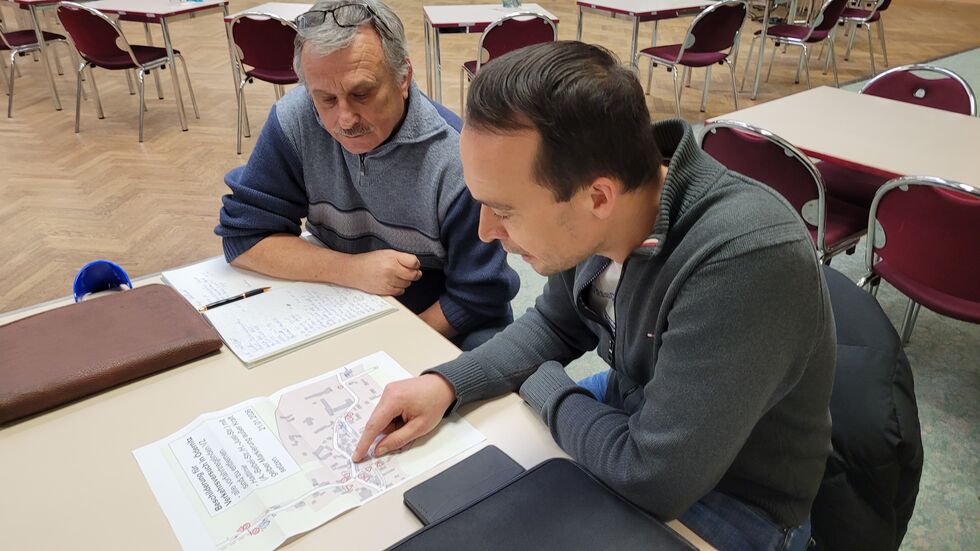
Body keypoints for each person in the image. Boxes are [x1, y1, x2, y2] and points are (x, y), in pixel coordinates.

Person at [353, 42, 835, 550]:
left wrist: (544, 386)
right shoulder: (606, 212)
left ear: (597, 197)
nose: (486, 231)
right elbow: (555, 325)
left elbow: (653, 477)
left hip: (734, 500)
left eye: (504, 209)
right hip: (639, 415)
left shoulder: (744, 260)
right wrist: (447, 384)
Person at [215, 0, 519, 350]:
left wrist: (393, 346)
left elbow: (479, 295)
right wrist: (351, 269)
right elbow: (244, 236)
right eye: (326, 99)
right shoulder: (295, 121)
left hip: (440, 321)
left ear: (403, 77)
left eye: (362, 93)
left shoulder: (457, 160)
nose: (345, 119)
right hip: (345, 303)